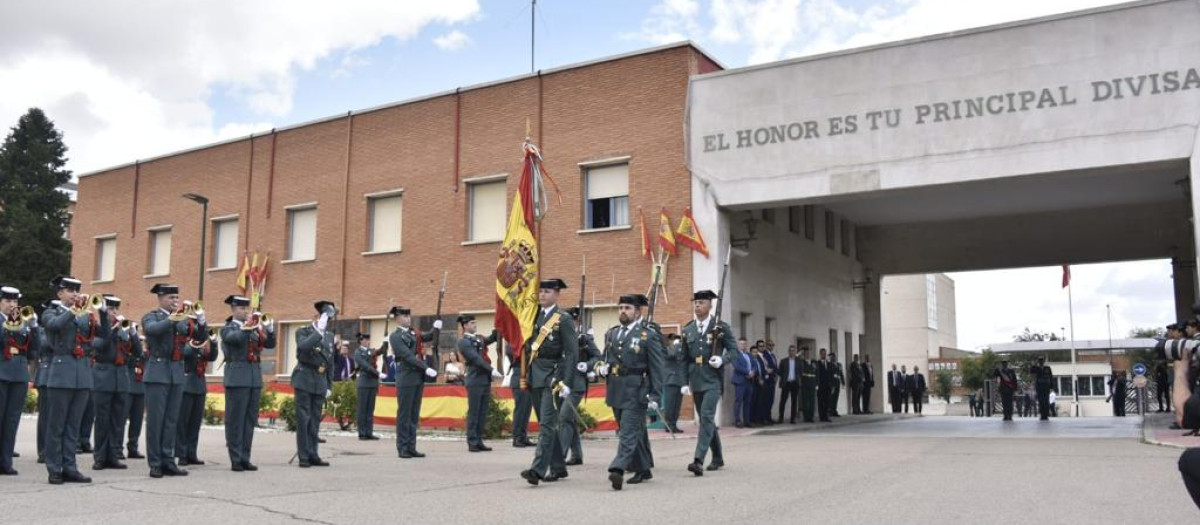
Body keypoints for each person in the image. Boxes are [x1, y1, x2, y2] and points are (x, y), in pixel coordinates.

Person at [43, 275, 109, 484]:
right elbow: (54, 326)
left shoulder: (85, 316)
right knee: (57, 425)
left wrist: (103, 313)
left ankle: (70, 467)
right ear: (60, 293)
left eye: (76, 291)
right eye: (70, 291)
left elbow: (104, 335)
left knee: (73, 425)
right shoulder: (50, 312)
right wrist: (73, 310)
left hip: (82, 375)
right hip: (61, 374)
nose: (75, 295)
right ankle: (54, 468)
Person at [596, 293, 662, 491]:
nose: (623, 311)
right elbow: (603, 358)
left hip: (636, 389)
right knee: (636, 431)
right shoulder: (612, 333)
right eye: (621, 308)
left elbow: (657, 367)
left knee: (627, 431)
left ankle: (618, 468)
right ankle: (643, 468)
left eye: (627, 308)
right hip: (616, 388)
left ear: (637, 311)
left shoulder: (647, 334)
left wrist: (656, 394)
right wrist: (601, 367)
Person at [141, 283, 206, 478]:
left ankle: (168, 460)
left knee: (171, 420)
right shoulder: (151, 316)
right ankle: (155, 463)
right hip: (158, 372)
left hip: (176, 373)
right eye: (171, 298)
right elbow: (154, 330)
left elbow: (199, 337)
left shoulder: (181, 320)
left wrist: (201, 322)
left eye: (176, 298)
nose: (175, 301)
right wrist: (173, 319)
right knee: (156, 421)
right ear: (160, 298)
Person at [518, 278, 577, 486]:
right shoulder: (533, 317)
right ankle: (559, 467)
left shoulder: (563, 319)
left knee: (546, 425)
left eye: (547, 291)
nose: (542, 295)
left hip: (553, 376)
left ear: (557, 294)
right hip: (535, 375)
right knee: (546, 425)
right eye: (540, 291)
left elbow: (571, 353)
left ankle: (537, 470)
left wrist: (566, 381)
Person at [681, 290, 734, 476]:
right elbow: (683, 359)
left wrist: (722, 359)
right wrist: (684, 382)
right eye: (695, 303)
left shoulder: (720, 327)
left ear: (710, 305)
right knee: (706, 419)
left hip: (713, 379)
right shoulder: (688, 329)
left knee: (706, 415)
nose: (697, 306)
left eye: (702, 302)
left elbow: (734, 351)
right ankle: (718, 457)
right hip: (696, 379)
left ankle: (698, 459)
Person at [221, 295, 275, 471]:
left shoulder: (252, 329)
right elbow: (234, 339)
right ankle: (235, 458)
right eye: (242, 309)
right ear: (234, 310)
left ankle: (245, 457)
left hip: (253, 379)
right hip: (237, 378)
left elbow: (270, 344)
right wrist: (249, 326)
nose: (246, 311)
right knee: (235, 420)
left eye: (247, 309)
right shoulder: (228, 328)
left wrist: (270, 330)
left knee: (249, 420)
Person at [389, 305, 441, 459]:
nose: (408, 319)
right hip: (406, 377)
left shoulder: (413, 333)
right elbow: (407, 356)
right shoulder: (395, 336)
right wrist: (425, 368)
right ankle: (402, 447)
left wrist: (436, 327)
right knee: (404, 414)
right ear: (397, 319)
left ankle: (411, 447)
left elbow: (428, 336)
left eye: (409, 316)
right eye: (405, 317)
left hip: (417, 378)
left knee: (413, 414)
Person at [293, 301, 337, 467]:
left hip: (319, 380)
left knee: (315, 420)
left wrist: (329, 385)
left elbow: (331, 363)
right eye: (325, 317)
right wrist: (318, 330)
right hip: (304, 378)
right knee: (303, 419)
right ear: (316, 316)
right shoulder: (303, 331)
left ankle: (313, 453)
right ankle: (303, 456)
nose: (327, 322)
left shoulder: (330, 336)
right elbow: (303, 347)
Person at [90, 294, 130, 471]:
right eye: (111, 309)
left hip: (120, 378)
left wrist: (132, 334)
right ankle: (100, 456)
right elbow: (99, 345)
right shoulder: (98, 327)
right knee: (102, 419)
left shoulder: (123, 330)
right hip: (103, 376)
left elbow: (134, 351)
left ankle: (113, 455)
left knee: (117, 420)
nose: (114, 312)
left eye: (116, 309)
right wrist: (113, 329)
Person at [0, 285, 35, 475]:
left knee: (12, 420)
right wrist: (9, 325)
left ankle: (5, 462)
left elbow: (34, 348)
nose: (12, 305)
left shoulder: (23, 322)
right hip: (1, 373)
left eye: (15, 301)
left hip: (19, 374)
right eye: (8, 301)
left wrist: (34, 326)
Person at [177, 313, 218, 467]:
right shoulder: (186, 341)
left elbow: (212, 357)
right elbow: (186, 353)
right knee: (183, 422)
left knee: (195, 423)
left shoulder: (201, 342)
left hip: (199, 385)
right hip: (187, 384)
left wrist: (213, 343)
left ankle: (191, 453)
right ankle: (181, 454)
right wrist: (197, 342)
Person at [562, 307, 602, 464]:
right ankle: (577, 455)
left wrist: (587, 365)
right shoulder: (560, 337)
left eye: (572, 320)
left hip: (576, 384)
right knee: (569, 419)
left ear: (577, 321)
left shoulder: (584, 338)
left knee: (564, 417)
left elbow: (598, 357)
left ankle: (559, 456)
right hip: (561, 384)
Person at [457, 315, 501, 452]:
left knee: (482, 412)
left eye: (475, 322)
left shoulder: (479, 338)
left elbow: (491, 339)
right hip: (475, 379)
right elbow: (475, 358)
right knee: (474, 412)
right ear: (465, 326)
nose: (475, 325)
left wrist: (500, 326)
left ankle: (479, 439)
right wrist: (491, 369)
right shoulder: (463, 341)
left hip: (484, 379)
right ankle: (472, 441)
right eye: (472, 323)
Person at [352, 332, 383, 441]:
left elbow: (380, 351)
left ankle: (369, 432)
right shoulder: (357, 352)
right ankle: (362, 433)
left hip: (372, 383)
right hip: (364, 383)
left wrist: (386, 342)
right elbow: (365, 365)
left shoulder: (371, 351)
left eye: (368, 340)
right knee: (362, 409)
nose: (367, 341)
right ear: (360, 341)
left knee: (370, 409)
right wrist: (377, 373)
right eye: (365, 340)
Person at [506, 338, 535, 448]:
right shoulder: (514, 340)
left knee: (526, 410)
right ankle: (517, 437)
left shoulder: (529, 340)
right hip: (519, 376)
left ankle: (523, 436)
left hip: (529, 377)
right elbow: (510, 351)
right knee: (520, 410)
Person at [661, 332, 687, 434]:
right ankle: (668, 425)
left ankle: (673, 424)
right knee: (670, 405)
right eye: (674, 340)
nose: (676, 342)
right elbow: (672, 355)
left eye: (678, 340)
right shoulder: (665, 349)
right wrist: (676, 346)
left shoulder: (678, 350)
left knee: (677, 405)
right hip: (670, 380)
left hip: (679, 380)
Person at [730, 338, 755, 427]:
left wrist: (753, 372)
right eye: (741, 344)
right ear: (738, 345)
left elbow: (754, 364)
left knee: (747, 402)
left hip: (749, 381)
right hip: (740, 381)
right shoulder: (735, 354)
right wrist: (748, 372)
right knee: (738, 401)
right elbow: (737, 366)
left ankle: (747, 421)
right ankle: (737, 421)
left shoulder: (749, 355)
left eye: (744, 344)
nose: (743, 345)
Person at [777, 345, 801, 424]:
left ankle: (792, 419)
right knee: (783, 401)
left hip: (795, 383)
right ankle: (780, 418)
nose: (792, 352)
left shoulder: (798, 361)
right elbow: (779, 372)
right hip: (786, 383)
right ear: (788, 351)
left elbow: (801, 371)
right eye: (790, 350)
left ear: (795, 352)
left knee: (794, 402)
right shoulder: (784, 361)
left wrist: (798, 380)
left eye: (793, 350)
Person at [759, 340, 778, 425]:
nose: (771, 347)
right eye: (769, 345)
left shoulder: (773, 355)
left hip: (772, 380)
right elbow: (765, 366)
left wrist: (776, 375)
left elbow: (775, 367)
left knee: (771, 400)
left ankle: (769, 417)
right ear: (766, 346)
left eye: (772, 345)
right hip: (767, 380)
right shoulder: (764, 354)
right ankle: (764, 418)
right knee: (765, 400)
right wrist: (767, 371)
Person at [1031, 356, 1053, 421]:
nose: (1041, 361)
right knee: (1041, 401)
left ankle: (1046, 415)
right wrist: (1034, 365)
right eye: (1039, 360)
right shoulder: (1036, 368)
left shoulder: (1047, 368)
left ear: (1043, 361)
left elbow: (1051, 377)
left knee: (1046, 401)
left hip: (1046, 387)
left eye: (1042, 360)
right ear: (1038, 361)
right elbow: (1031, 372)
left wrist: (1051, 387)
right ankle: (1042, 415)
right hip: (1039, 387)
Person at [799, 347, 817, 423]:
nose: (807, 354)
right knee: (805, 400)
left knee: (812, 400)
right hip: (805, 382)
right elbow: (795, 359)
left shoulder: (814, 362)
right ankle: (806, 417)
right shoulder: (801, 362)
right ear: (804, 354)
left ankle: (811, 416)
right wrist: (799, 353)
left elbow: (817, 373)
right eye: (806, 353)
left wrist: (817, 384)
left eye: (808, 353)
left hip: (812, 382)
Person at [815, 348, 833, 422]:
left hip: (828, 386)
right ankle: (821, 417)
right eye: (822, 353)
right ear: (820, 354)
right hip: (820, 385)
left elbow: (831, 374)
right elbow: (816, 374)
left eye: (825, 353)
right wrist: (816, 384)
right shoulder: (817, 363)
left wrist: (832, 385)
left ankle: (826, 416)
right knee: (820, 402)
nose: (824, 355)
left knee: (827, 402)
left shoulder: (829, 363)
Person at [829, 351, 845, 417]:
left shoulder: (839, 364)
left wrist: (843, 382)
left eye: (834, 356)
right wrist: (830, 384)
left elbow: (841, 374)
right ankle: (830, 411)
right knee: (831, 398)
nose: (833, 358)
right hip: (832, 383)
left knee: (836, 398)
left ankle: (834, 410)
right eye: (832, 357)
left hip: (837, 383)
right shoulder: (829, 364)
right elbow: (829, 375)